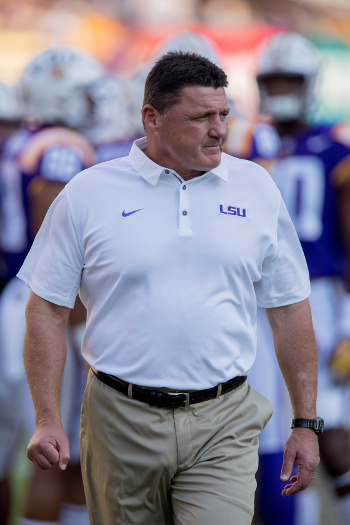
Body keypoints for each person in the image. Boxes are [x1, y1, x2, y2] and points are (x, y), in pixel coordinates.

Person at [18, 51, 321, 525]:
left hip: (225, 418)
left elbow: (290, 309)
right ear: (151, 118)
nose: (219, 129)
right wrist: (47, 417)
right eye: (201, 117)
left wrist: (304, 422)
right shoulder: (88, 191)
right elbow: (46, 310)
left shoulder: (257, 187)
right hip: (119, 419)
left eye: (223, 114)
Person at [0, 46, 104, 525]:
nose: (93, 102)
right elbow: (56, 254)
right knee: (61, 455)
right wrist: (85, 333)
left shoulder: (23, 139)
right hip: (43, 305)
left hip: (15, 297)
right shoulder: (62, 145)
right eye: (84, 93)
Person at [252, 31, 350, 525]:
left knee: (324, 423)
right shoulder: (247, 140)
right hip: (262, 300)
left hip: (321, 295)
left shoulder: (334, 145)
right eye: (276, 80)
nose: (283, 89)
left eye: (292, 80)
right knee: (274, 425)